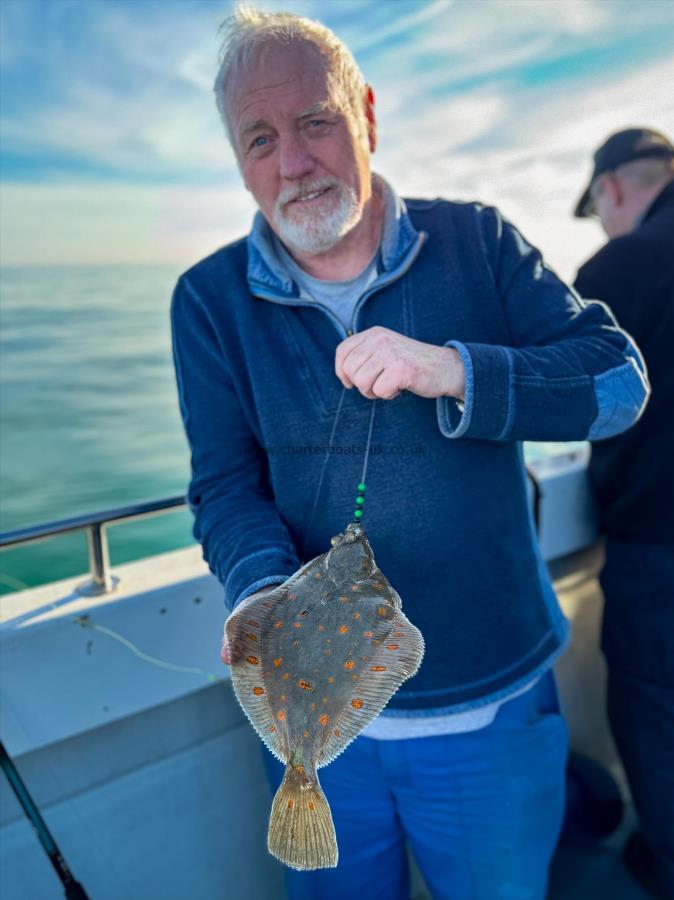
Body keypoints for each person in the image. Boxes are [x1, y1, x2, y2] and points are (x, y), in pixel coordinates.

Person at [170, 9, 649, 899]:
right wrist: (269, 600)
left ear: (368, 116)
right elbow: (227, 485)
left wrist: (454, 369)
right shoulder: (207, 301)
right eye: (260, 139)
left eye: (315, 121)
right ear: (239, 159)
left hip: (491, 713)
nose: (293, 163)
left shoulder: (477, 241)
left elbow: (618, 384)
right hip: (318, 742)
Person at [573, 127, 674, 898]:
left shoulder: (619, 267)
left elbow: (582, 401)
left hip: (658, 549)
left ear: (610, 189)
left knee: (654, 714)